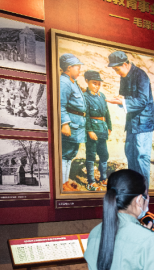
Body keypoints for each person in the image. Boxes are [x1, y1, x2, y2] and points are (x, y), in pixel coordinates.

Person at [106, 51, 154, 181]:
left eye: (117, 69)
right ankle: (134, 189)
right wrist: (120, 99)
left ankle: (143, 191)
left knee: (141, 156)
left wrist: (122, 101)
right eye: (114, 70)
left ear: (125, 64)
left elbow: (142, 101)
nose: (116, 72)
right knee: (130, 154)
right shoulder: (123, 76)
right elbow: (124, 97)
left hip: (144, 124)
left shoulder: (141, 75)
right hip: (132, 123)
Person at [59, 53, 87, 189]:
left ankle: (65, 182)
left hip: (77, 125)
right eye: (77, 67)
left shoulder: (72, 81)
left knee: (70, 155)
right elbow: (60, 105)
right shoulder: (64, 82)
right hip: (70, 124)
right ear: (69, 67)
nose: (80, 70)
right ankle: (62, 184)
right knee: (65, 154)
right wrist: (64, 124)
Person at [83, 70, 112, 191]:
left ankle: (103, 178)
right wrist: (89, 131)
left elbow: (107, 113)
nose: (97, 86)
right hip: (93, 130)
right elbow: (86, 115)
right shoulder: (85, 97)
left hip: (102, 129)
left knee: (104, 154)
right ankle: (91, 182)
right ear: (87, 81)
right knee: (91, 155)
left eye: (99, 84)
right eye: (94, 83)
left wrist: (109, 127)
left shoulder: (102, 96)